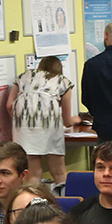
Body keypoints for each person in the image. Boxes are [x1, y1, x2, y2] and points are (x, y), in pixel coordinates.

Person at [9, 55, 81, 188]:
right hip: (50, 128)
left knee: (33, 174)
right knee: (58, 172)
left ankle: (35, 200)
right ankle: (64, 198)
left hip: (24, 130)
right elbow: (67, 121)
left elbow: (9, 105)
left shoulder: (24, 77)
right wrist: (77, 119)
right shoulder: (63, 81)